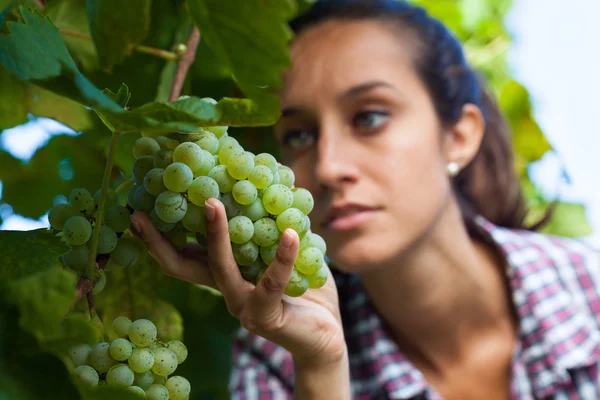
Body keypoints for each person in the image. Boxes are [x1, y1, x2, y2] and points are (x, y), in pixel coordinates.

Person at [129, 0, 600, 398]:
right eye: (299, 134)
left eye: (370, 117)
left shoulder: (591, 290)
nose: (329, 166)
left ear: (458, 136)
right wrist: (322, 366)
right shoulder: (277, 358)